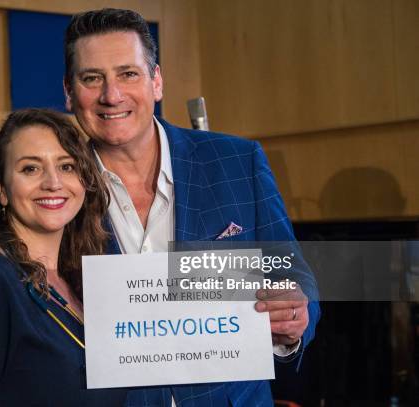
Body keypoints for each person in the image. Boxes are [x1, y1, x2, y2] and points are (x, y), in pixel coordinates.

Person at [62, 8, 320, 406]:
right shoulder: (57, 188)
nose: (111, 95)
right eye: (91, 78)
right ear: (69, 91)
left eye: (128, 73)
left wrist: (295, 319)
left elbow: (292, 274)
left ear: (157, 81)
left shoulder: (237, 161)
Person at [0, 109, 127, 406]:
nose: (53, 183)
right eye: (31, 169)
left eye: (67, 166)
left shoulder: (81, 281)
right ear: (1, 187)